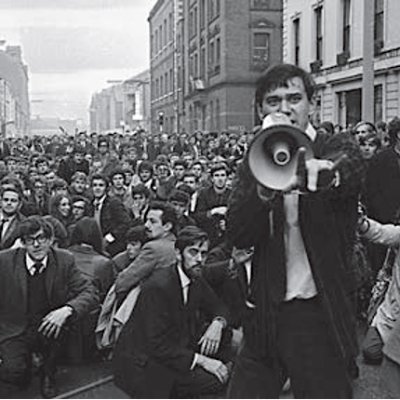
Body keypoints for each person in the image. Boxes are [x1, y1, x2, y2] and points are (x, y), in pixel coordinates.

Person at [226, 63, 365, 398]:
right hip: (267, 309)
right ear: (260, 109)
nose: (284, 109)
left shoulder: (335, 145)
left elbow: (351, 167)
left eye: (294, 99)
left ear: (311, 105)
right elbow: (238, 233)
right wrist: (262, 193)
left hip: (319, 310)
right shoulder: (256, 159)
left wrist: (323, 173)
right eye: (273, 101)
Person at [113, 226, 231, 398]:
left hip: (173, 348)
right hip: (144, 364)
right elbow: (157, 346)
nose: (199, 259)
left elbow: (219, 306)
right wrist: (203, 361)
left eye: (204, 254)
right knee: (217, 379)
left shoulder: (195, 277)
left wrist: (218, 323)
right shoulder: (158, 286)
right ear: (177, 253)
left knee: (228, 342)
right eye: (193, 252)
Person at [0, 216, 98, 398]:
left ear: (51, 240)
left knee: (56, 333)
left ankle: (48, 372)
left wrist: (67, 310)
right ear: (22, 243)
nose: (36, 245)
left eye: (41, 238)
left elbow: (89, 292)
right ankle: (28, 362)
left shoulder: (64, 260)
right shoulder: (5, 261)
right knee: (14, 374)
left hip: (50, 324)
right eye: (30, 240)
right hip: (15, 327)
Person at [114, 200, 177, 300]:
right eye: (146, 220)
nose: (146, 225)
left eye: (153, 221)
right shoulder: (175, 245)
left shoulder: (153, 248)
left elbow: (123, 282)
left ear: (167, 226)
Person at [90, 173, 131, 256]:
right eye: (95, 185)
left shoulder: (114, 203)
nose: (97, 188)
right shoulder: (90, 204)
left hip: (113, 247)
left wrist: (109, 238)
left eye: (101, 185)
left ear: (106, 188)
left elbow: (126, 223)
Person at [194, 162, 231, 247]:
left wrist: (229, 223)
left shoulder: (233, 194)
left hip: (228, 236)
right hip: (208, 235)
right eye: (216, 175)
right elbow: (197, 216)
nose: (220, 179)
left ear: (227, 178)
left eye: (222, 175)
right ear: (212, 179)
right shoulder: (203, 194)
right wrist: (212, 212)